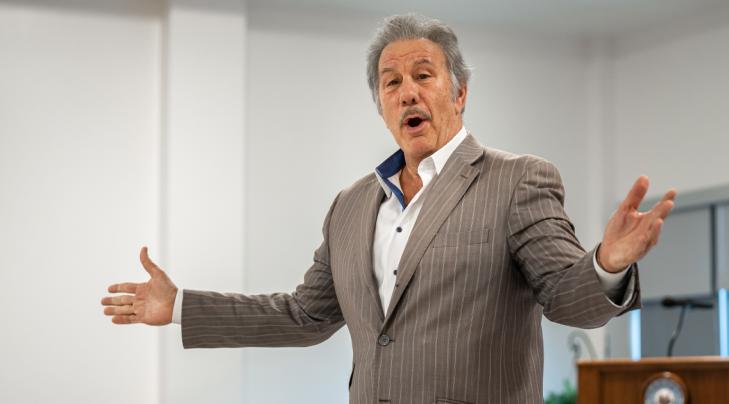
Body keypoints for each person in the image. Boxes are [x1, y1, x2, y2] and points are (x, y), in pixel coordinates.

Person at [101, 14, 676, 404]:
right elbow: (306, 316)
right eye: (391, 82)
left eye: (424, 76)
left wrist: (606, 262)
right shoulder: (351, 206)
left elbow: (564, 298)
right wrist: (181, 308)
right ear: (380, 104)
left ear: (459, 93)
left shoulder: (517, 180)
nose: (407, 92)